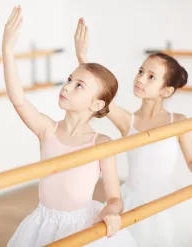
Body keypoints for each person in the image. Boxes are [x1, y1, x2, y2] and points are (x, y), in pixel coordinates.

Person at [3, 6, 137, 247]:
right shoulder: (47, 130)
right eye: (69, 80)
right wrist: (8, 50)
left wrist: (111, 211)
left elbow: (114, 197)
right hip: (43, 223)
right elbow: (18, 100)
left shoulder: (102, 143)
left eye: (78, 86)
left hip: (82, 225)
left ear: (96, 104)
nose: (66, 87)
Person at [74, 17, 192, 247]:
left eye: (151, 77)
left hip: (165, 203)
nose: (140, 79)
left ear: (166, 91)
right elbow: (101, 94)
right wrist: (82, 57)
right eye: (140, 71)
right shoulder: (128, 121)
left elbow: (191, 160)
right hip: (131, 199)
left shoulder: (178, 122)